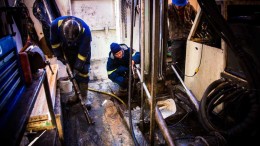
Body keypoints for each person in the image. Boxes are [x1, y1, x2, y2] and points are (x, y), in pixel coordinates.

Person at [50, 16, 92, 108]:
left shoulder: (86, 32)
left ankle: (84, 97)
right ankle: (76, 95)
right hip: (67, 49)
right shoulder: (55, 25)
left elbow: (83, 53)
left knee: (83, 71)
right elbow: (54, 43)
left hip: (81, 50)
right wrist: (59, 55)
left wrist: (78, 67)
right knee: (71, 73)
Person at [168, 0, 197, 79]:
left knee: (187, 59)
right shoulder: (169, 8)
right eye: (177, 5)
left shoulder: (190, 7)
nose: (178, 7)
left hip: (188, 37)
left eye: (180, 5)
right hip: (176, 38)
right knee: (176, 61)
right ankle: (177, 79)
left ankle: (185, 79)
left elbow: (196, 20)